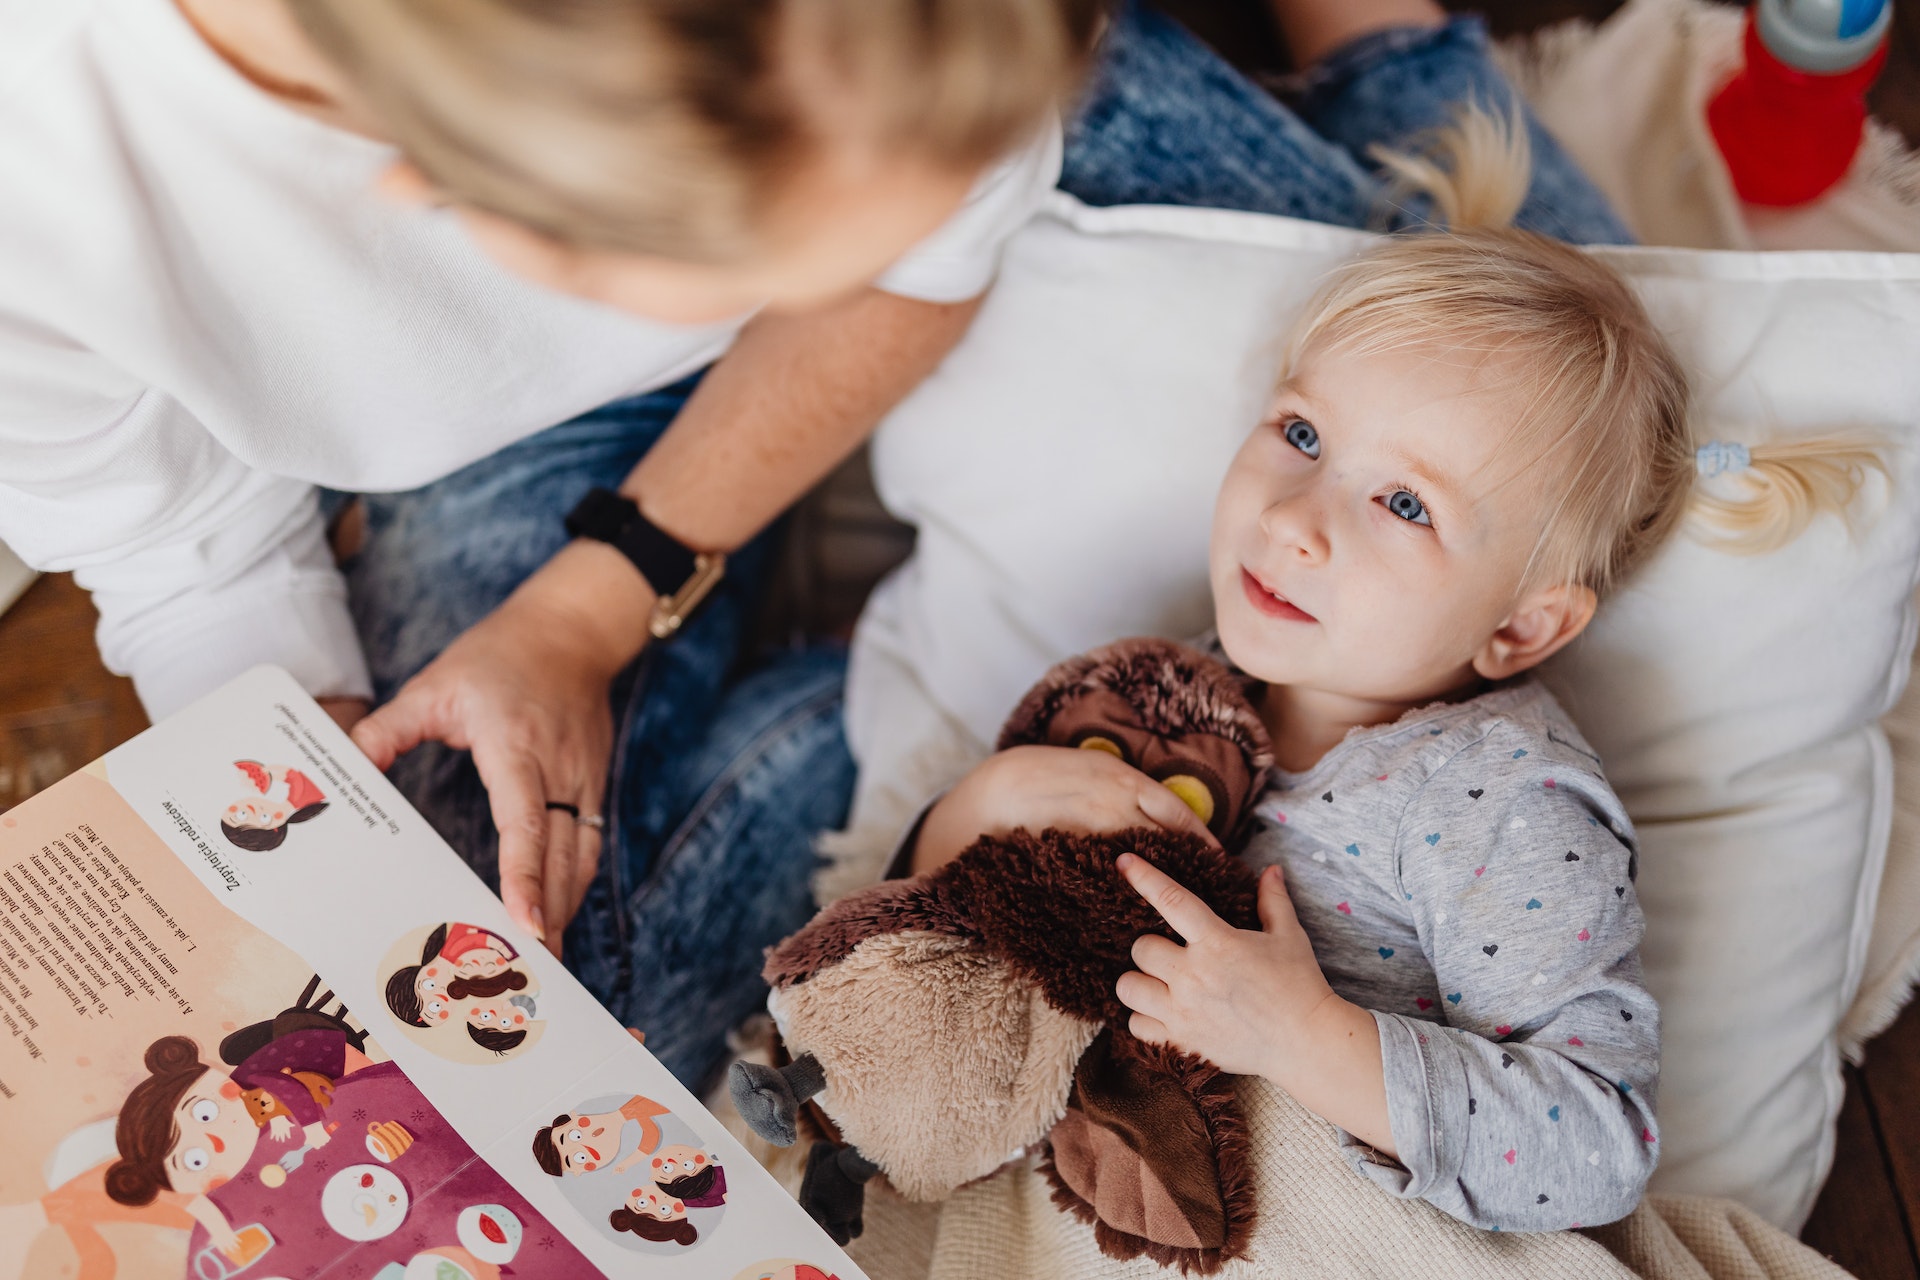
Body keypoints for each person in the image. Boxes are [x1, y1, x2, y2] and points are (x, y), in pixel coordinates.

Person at [0, 0, 1630, 1092]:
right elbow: (186, 542)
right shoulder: (55, 187)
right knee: (509, 997)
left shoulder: (912, 71)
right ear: (470, 219)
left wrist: (597, 596)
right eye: (811, 245)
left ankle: (1380, 37)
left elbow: (942, 226)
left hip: (881, 102)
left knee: (1567, 362)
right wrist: (331, 869)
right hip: (551, 351)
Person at [903, 111, 1882, 1231]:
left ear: (1518, 629)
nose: (1298, 520)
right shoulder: (1165, 690)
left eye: (1405, 503)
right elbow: (940, 935)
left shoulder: (1498, 796)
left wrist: (1305, 1036)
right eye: (1304, 434)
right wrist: (975, 811)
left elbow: (1599, 1142)